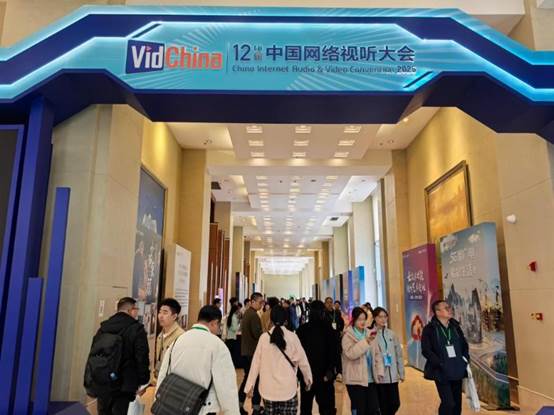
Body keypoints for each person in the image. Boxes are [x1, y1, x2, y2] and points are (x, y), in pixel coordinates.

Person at [155, 305, 240, 415]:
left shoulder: (178, 340)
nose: (218, 329)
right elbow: (226, 387)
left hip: (174, 405)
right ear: (214, 323)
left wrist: (157, 400)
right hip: (203, 408)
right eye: (219, 326)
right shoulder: (218, 345)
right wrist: (232, 412)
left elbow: (163, 373)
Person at [85, 297, 150, 415]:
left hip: (104, 380)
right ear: (131, 310)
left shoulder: (104, 327)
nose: (137, 313)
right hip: (125, 385)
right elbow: (141, 357)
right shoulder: (136, 329)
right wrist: (143, 379)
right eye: (136, 309)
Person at [245, 305, 313, 415]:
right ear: (286, 320)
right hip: (288, 389)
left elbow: (255, 363)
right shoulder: (293, 337)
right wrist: (308, 379)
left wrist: (250, 386)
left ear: (270, 320)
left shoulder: (264, 338)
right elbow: (303, 361)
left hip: (268, 389)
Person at [422, 300, 469, 415]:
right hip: (441, 371)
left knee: (457, 405)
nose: (450, 309)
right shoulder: (430, 329)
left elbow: (464, 345)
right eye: (446, 308)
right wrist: (439, 363)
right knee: (448, 403)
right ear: (437, 312)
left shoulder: (455, 327)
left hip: (457, 369)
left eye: (449, 307)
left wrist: (464, 360)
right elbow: (426, 350)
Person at [296, 300, 339, 415]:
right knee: (327, 409)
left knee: (306, 408)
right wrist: (331, 372)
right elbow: (335, 353)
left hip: (307, 376)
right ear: (322, 312)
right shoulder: (329, 330)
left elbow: (297, 355)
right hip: (325, 376)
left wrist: (299, 375)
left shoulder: (302, 330)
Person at [342, 306, 384, 415]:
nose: (362, 322)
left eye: (364, 319)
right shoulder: (348, 336)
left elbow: (377, 354)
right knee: (360, 410)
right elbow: (351, 354)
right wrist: (365, 342)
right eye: (359, 319)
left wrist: (380, 371)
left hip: (370, 378)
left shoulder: (370, 333)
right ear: (354, 320)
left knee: (374, 409)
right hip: (355, 380)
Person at [372, 307, 405, 415]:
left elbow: (399, 355)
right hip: (380, 377)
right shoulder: (371, 334)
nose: (383, 319)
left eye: (385, 316)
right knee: (383, 405)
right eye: (380, 317)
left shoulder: (392, 334)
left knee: (395, 403)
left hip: (393, 376)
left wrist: (401, 372)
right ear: (374, 318)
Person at [238, 292, 264, 415]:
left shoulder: (248, 313)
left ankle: (240, 405)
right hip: (252, 353)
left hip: (247, 351)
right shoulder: (253, 315)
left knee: (248, 379)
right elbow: (257, 334)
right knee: (255, 380)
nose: (261, 305)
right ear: (252, 302)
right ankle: (256, 408)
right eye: (260, 302)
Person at [153, 298, 184, 384]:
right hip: (158, 379)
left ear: (174, 316)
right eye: (160, 312)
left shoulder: (180, 336)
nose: (160, 316)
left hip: (171, 382)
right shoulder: (160, 335)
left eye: (165, 313)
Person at [224, 302, 243, 367]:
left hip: (229, 337)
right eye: (238, 309)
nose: (239, 311)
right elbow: (235, 328)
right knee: (232, 353)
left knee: (230, 353)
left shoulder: (230, 316)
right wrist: (239, 325)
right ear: (235, 310)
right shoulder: (234, 317)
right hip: (232, 337)